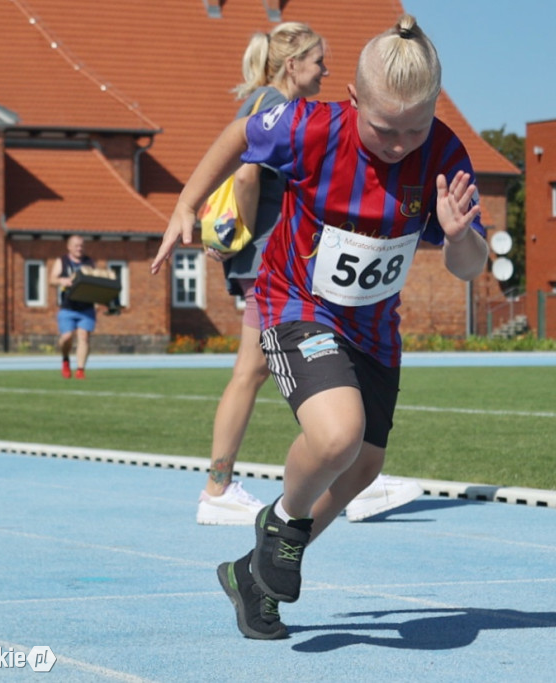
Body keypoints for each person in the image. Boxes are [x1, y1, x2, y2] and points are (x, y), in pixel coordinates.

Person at [151, 13, 487, 639]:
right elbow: (238, 135)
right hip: (295, 302)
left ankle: (255, 575)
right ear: (354, 98)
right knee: (337, 437)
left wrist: (461, 234)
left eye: (414, 128)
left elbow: (470, 269)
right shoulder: (310, 128)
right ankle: (281, 529)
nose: (398, 145)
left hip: (374, 328)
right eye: (384, 129)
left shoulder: (444, 155)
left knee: (363, 464)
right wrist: (185, 207)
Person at [196, 22, 425, 527]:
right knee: (257, 370)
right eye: (318, 60)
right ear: (292, 65)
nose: (325, 69)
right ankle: (225, 487)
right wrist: (255, 239)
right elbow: (246, 173)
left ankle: (234, 483)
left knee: (255, 371)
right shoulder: (272, 107)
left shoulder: (273, 104)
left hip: (271, 258)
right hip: (274, 260)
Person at [51, 234, 96, 380]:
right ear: (69, 247)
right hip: (68, 307)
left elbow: (96, 280)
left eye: (82, 245)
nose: (79, 248)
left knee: (83, 337)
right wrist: (62, 280)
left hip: (86, 308)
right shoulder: (62, 261)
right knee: (66, 337)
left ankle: (80, 370)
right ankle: (65, 360)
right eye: (76, 245)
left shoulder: (89, 262)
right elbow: (51, 279)